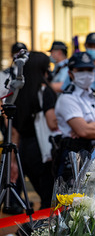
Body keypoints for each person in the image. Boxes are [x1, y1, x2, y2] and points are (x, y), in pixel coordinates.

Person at [55, 52, 95, 181]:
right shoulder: (67, 98)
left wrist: (91, 125)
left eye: (89, 69)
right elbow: (83, 131)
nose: (86, 73)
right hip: (76, 158)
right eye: (80, 70)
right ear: (70, 73)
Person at [10, 52, 58, 211]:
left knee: (42, 196)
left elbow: (14, 131)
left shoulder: (18, 93)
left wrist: (13, 162)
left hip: (24, 149)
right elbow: (52, 123)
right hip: (43, 150)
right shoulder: (44, 91)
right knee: (48, 200)